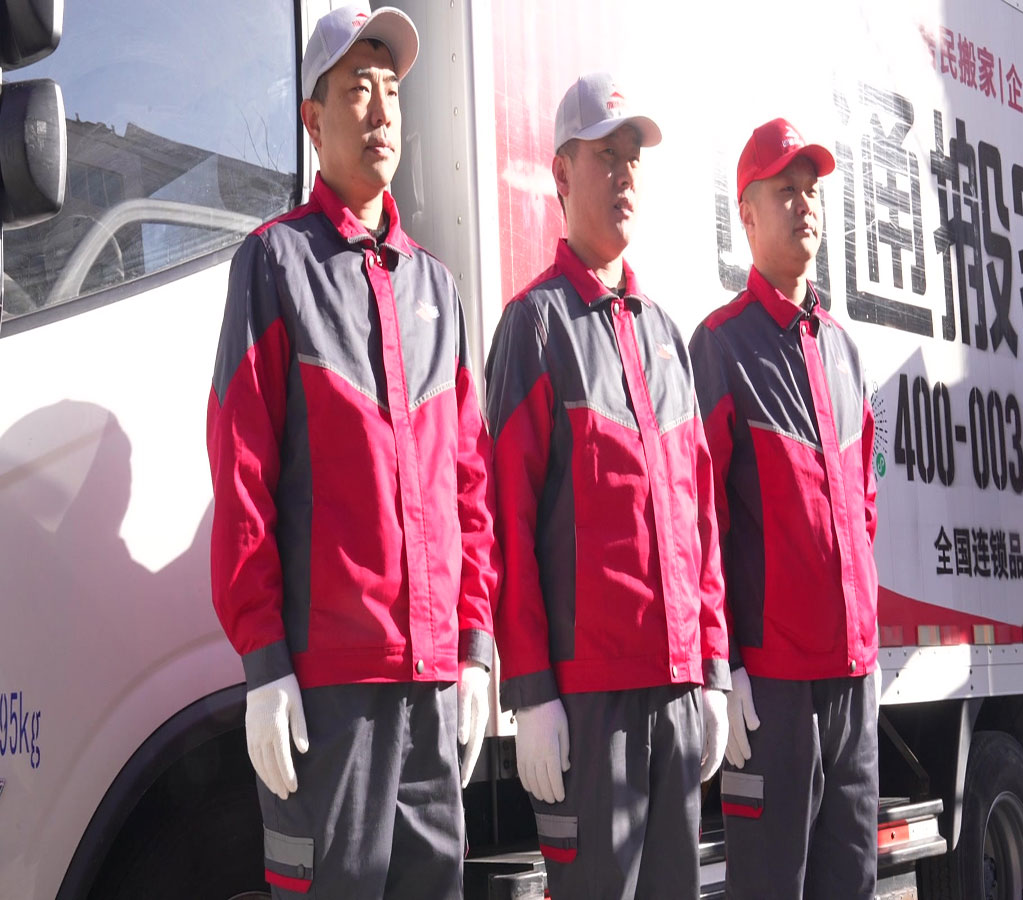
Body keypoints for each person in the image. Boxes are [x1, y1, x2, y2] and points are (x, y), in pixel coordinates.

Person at [206, 5, 500, 897]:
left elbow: (469, 484)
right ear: (313, 118)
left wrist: (475, 645)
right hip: (328, 696)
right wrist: (266, 663)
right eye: (356, 90)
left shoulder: (436, 286)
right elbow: (243, 474)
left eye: (392, 92)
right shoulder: (274, 264)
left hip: (431, 689)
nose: (380, 111)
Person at [484, 72, 731, 900]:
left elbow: (699, 521)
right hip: (590, 709)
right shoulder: (535, 326)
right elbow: (507, 524)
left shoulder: (664, 334)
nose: (624, 173)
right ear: (561, 173)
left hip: (676, 693)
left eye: (633, 157)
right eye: (605, 156)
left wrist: (713, 669)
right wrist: (531, 693)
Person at [688, 117, 880, 899]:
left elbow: (863, 504)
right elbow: (700, 522)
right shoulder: (721, 345)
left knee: (852, 882)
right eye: (785, 192)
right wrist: (725, 663)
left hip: (852, 681)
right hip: (770, 690)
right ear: (747, 214)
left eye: (812, 192)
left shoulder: (842, 347)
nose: (804, 205)